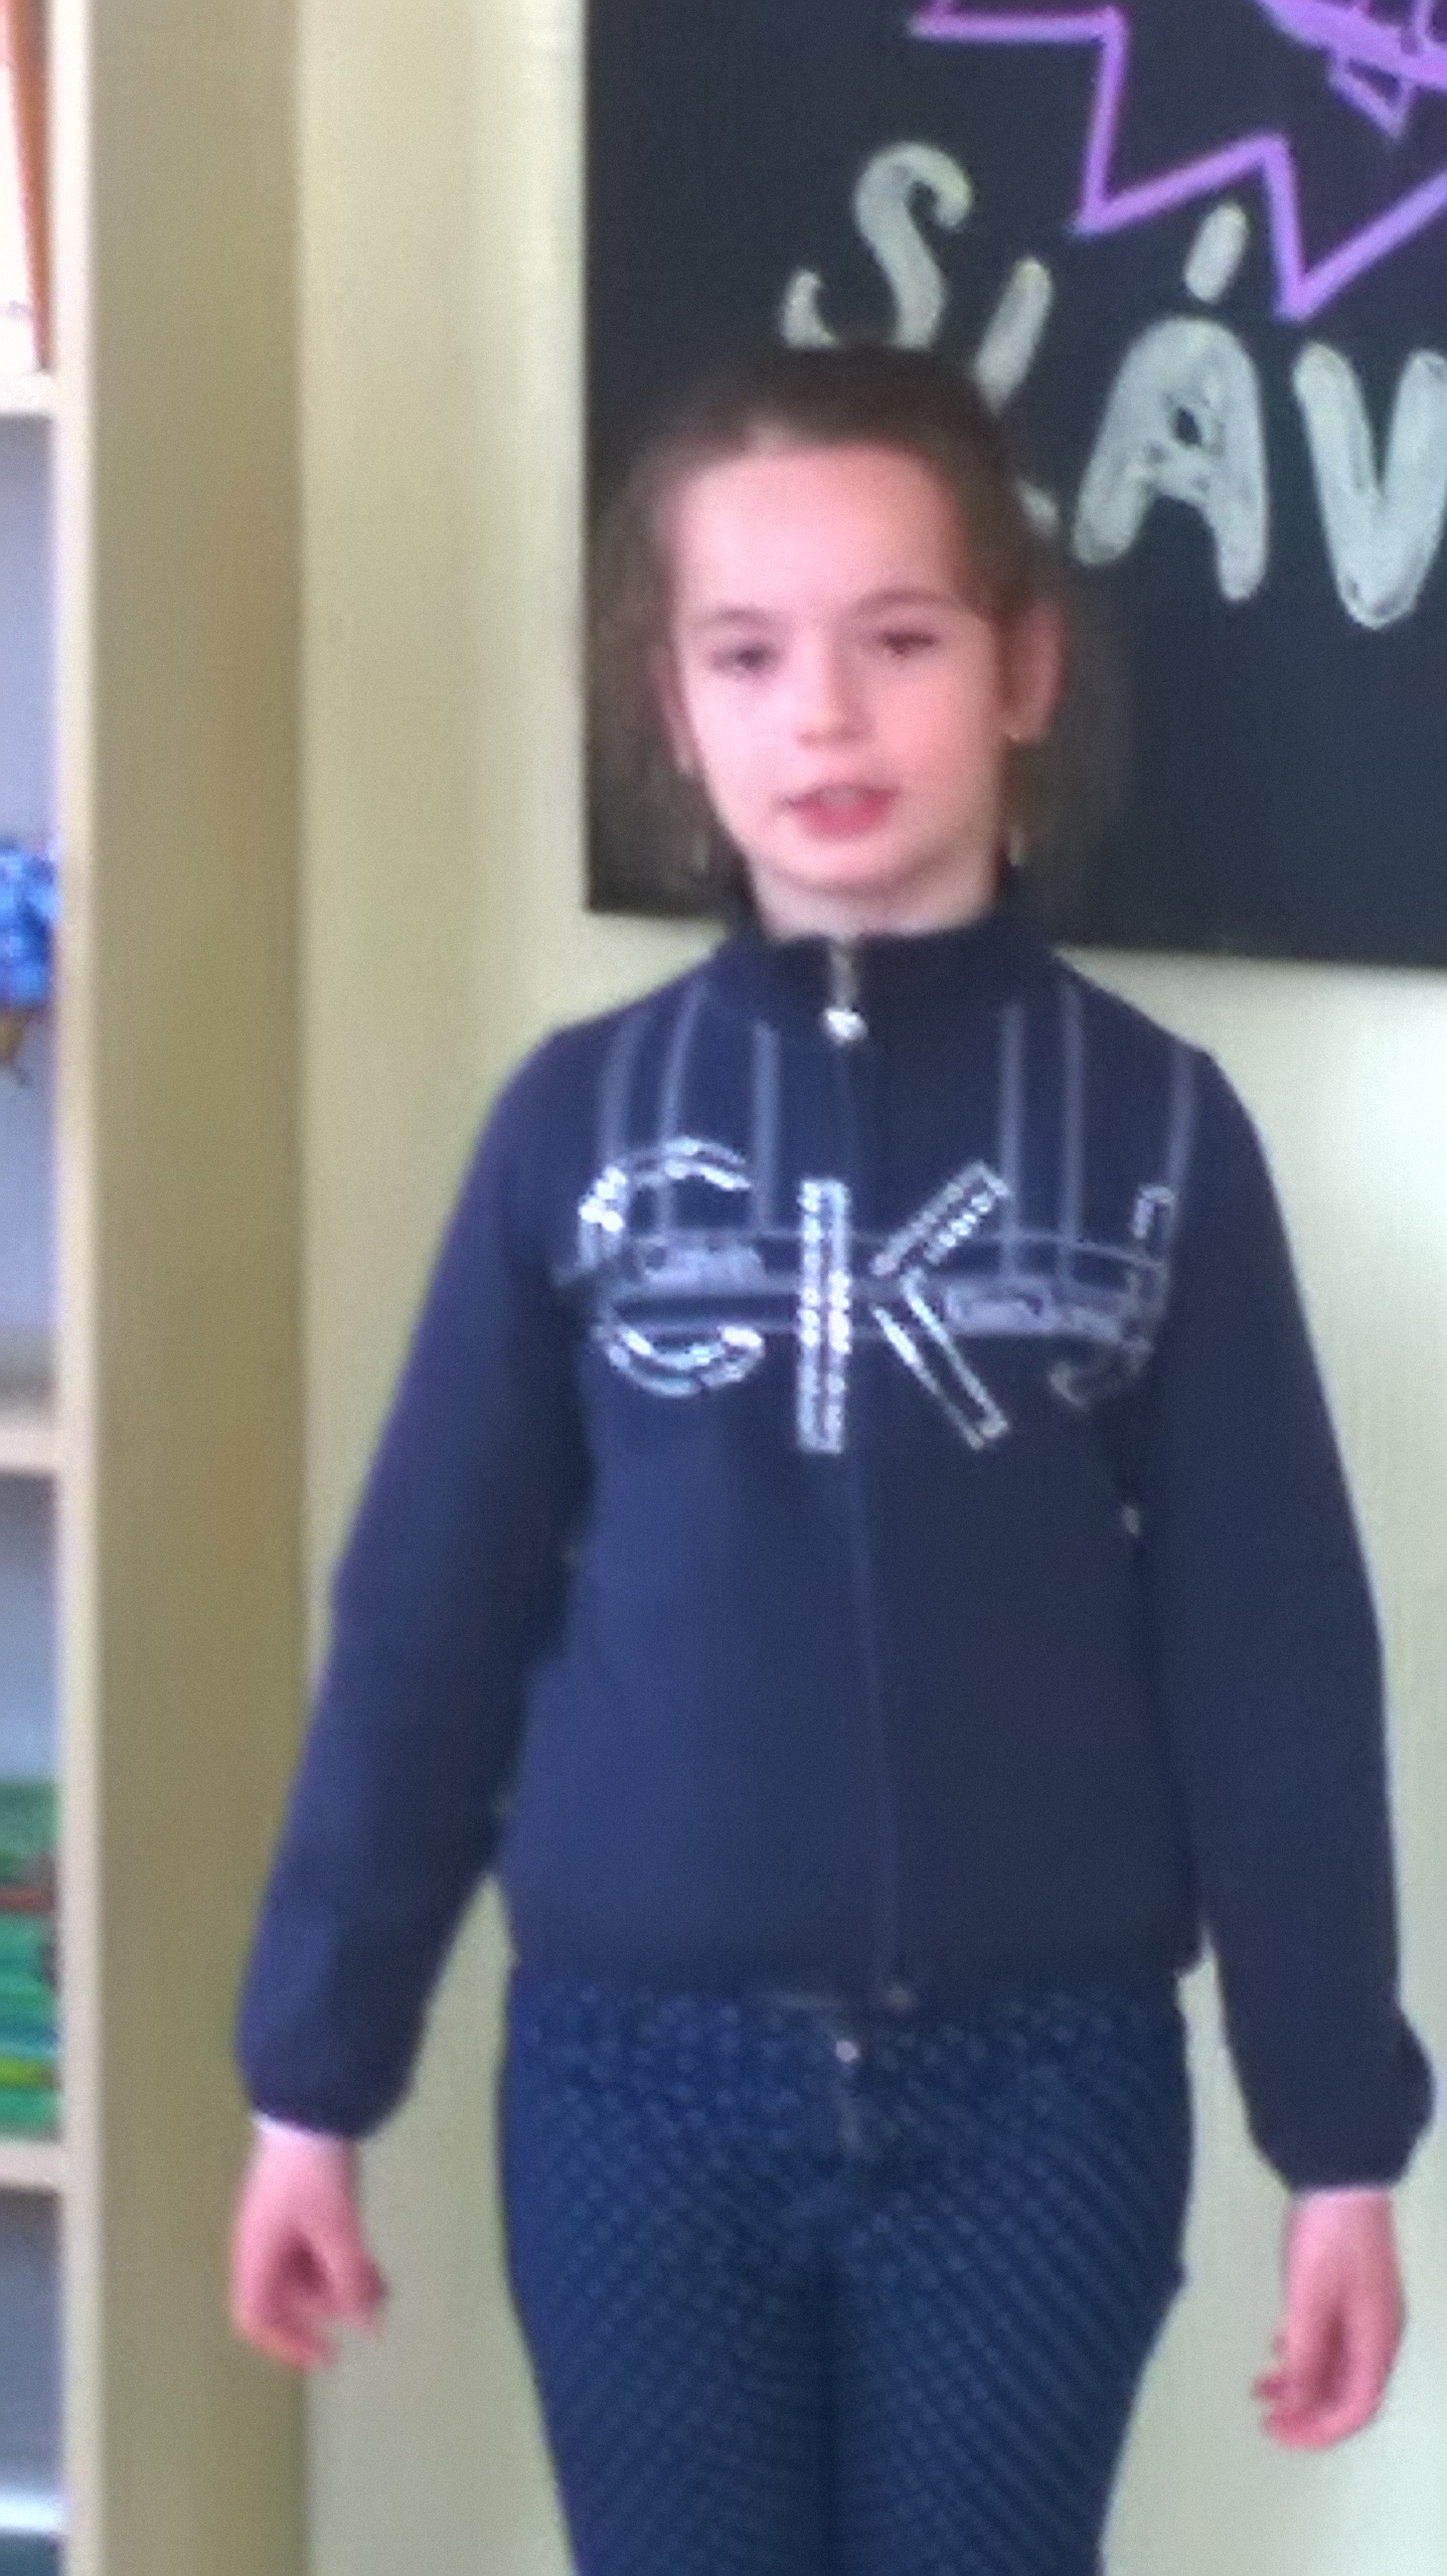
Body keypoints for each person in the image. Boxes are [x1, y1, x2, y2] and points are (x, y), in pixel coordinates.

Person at [231, 344, 1432, 2574]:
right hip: (630, 2090)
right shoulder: (575, 1132)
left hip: (1043, 2092)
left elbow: (1273, 1660)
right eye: (746, 655)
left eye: (898, 640)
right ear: (669, 708)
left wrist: (1334, 2132)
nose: (824, 717)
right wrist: (314, 2075)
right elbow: (424, 1630)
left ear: (1021, 670)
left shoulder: (1159, 1135)